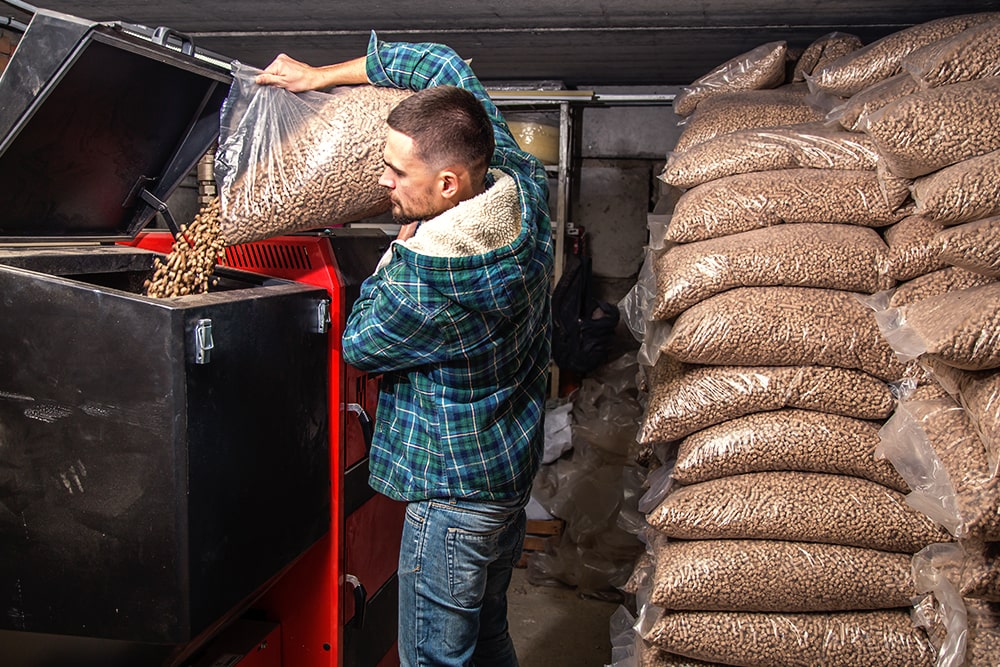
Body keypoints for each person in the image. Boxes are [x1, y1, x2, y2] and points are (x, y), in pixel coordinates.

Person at [257, 32, 553, 667]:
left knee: (432, 658)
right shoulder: (521, 184)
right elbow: (439, 63)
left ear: (447, 183)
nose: (381, 180)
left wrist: (400, 250)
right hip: (504, 475)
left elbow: (360, 344)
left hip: (452, 503)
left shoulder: (428, 281)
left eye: (396, 171)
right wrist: (318, 76)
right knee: (487, 637)